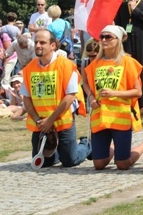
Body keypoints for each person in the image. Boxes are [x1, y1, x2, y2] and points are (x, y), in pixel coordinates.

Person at [20, 30, 91, 167]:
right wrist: (39, 121)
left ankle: (86, 144)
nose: (38, 45)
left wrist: (50, 120)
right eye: (36, 42)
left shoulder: (66, 65)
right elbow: (26, 98)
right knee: (44, 162)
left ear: (53, 45)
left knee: (70, 160)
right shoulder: (29, 68)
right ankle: (57, 151)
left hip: (61, 120)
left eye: (42, 42)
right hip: (40, 123)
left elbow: (70, 96)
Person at [83, 25, 143, 170]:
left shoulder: (128, 62)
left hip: (120, 117)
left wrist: (115, 93)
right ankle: (113, 147)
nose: (103, 40)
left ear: (118, 40)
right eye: (102, 37)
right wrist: (91, 97)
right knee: (98, 164)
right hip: (100, 117)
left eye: (108, 37)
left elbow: (138, 92)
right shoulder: (95, 64)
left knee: (122, 164)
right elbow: (86, 83)